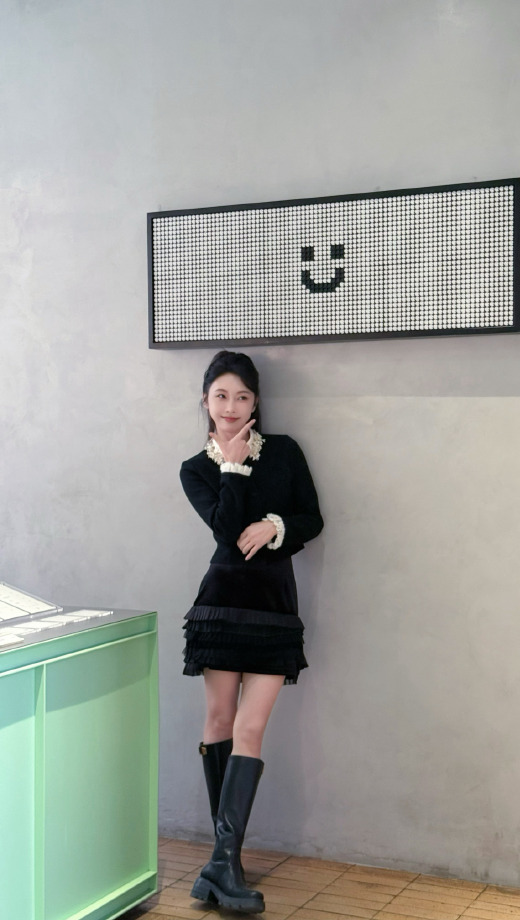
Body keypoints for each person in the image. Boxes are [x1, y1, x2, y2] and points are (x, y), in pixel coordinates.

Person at [179, 350, 323, 913]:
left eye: (242, 396)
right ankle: (226, 862)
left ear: (256, 401)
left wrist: (274, 525)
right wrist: (234, 468)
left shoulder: (284, 452)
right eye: (221, 396)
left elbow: (312, 518)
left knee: (251, 726)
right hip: (220, 607)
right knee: (219, 721)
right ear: (206, 401)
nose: (231, 407)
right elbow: (223, 532)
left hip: (272, 609)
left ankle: (220, 865)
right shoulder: (196, 468)